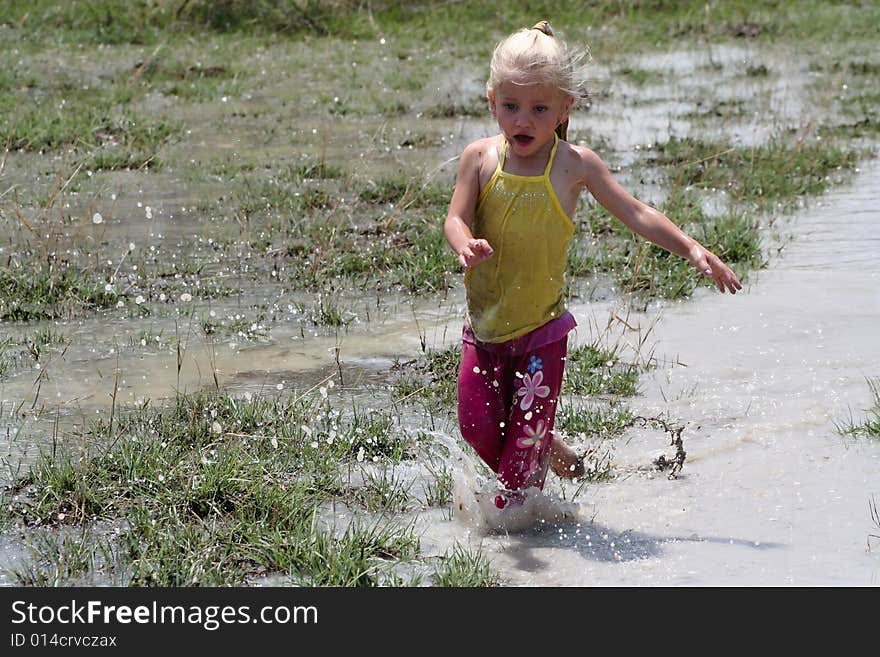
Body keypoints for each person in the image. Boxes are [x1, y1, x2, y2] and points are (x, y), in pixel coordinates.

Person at [443, 20, 741, 510]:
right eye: (512, 106)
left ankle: (519, 548)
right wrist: (465, 243)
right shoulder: (478, 159)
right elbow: (455, 218)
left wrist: (690, 247)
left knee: (515, 487)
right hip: (485, 331)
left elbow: (637, 213)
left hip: (542, 335)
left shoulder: (573, 164)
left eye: (540, 109)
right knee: (476, 429)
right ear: (492, 100)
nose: (524, 120)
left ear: (565, 107)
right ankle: (544, 449)